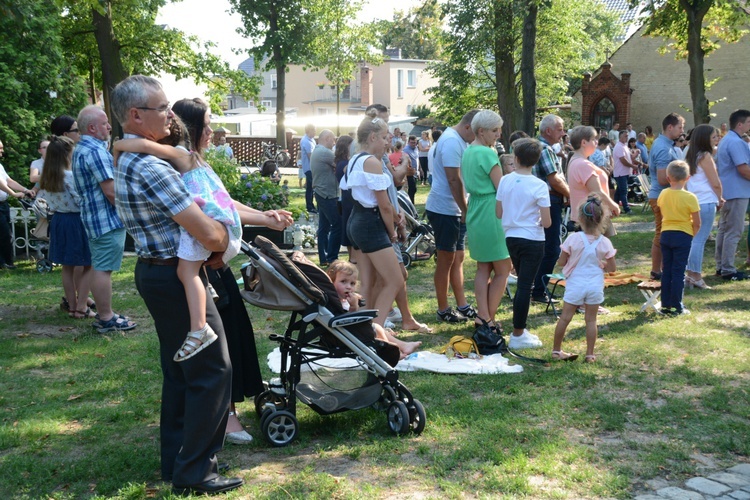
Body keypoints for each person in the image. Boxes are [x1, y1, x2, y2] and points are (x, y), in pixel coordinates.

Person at [111, 75, 242, 495]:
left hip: (159, 272)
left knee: (181, 370)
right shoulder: (150, 167)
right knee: (212, 369)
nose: (170, 114)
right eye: (162, 108)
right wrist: (223, 237)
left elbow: (183, 163)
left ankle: (178, 463)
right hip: (171, 274)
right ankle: (196, 472)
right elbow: (206, 232)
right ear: (136, 115)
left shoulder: (138, 157)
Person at [115, 111, 242, 362]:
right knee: (191, 269)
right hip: (220, 217)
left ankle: (199, 329)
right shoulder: (192, 159)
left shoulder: (181, 154)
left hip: (212, 219)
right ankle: (204, 297)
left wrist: (117, 145)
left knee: (186, 272)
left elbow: (141, 145)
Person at [72, 105, 136, 333]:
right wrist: (131, 213)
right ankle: (106, 317)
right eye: (105, 122)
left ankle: (105, 314)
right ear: (92, 127)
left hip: (94, 218)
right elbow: (110, 192)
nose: (109, 126)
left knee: (100, 266)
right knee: (103, 269)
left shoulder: (82, 148)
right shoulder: (96, 152)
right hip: (105, 220)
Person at [340, 112, 404, 328]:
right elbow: (384, 205)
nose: (388, 142)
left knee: (369, 282)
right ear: (373, 137)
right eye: (385, 137)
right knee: (394, 280)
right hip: (369, 224)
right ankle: (376, 329)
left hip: (356, 221)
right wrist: (393, 230)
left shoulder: (355, 160)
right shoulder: (372, 163)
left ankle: (364, 325)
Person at [424, 110, 479, 323]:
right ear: (467, 127)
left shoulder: (457, 140)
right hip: (445, 209)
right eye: (476, 133)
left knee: (458, 259)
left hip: (454, 209)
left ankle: (462, 304)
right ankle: (443, 308)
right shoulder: (451, 142)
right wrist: (465, 210)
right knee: (446, 259)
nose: (476, 139)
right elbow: (453, 180)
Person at [496, 138, 550, 349]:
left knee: (523, 285)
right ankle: (518, 333)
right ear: (535, 161)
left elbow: (499, 212)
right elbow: (547, 222)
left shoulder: (505, 180)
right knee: (525, 286)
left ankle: (520, 330)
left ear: (516, 159)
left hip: (511, 236)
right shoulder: (539, 185)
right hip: (532, 238)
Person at [461, 110, 511, 337]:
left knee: (484, 267)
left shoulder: (468, 151)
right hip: (492, 210)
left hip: (476, 209)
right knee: (503, 268)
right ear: (481, 131)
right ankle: (487, 317)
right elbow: (502, 187)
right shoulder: (488, 154)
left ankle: (483, 315)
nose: (498, 135)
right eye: (494, 130)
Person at [551, 194, 617, 363]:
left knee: (565, 318)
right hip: (594, 285)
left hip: (575, 284)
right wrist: (602, 264)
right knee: (591, 320)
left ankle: (556, 350)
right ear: (603, 219)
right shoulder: (605, 243)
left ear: (580, 218)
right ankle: (590, 354)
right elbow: (612, 269)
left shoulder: (573, 238)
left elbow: (561, 261)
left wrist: (566, 259)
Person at [39, 136, 94, 319]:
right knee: (88, 263)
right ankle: (81, 307)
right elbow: (80, 200)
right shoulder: (70, 176)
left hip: (59, 220)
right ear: (66, 154)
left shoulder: (47, 177)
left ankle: (71, 306)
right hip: (75, 221)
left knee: (67, 266)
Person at [326, 260, 421, 359]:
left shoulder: (343, 300)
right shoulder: (335, 302)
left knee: (378, 329)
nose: (349, 287)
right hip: (343, 337)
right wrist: (353, 307)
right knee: (377, 329)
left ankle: (402, 347)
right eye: (343, 281)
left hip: (350, 333)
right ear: (331, 282)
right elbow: (345, 321)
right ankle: (392, 354)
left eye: (352, 283)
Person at [531, 114, 570, 303]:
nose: (563, 133)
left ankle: (535, 287)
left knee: (545, 247)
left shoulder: (541, 147)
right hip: (549, 202)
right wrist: (571, 195)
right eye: (560, 129)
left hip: (546, 202)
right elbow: (554, 179)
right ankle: (538, 290)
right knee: (552, 249)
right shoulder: (545, 149)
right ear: (548, 131)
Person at [658, 160, 700, 315]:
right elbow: (697, 222)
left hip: (666, 233)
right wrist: (691, 234)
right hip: (683, 234)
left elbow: (664, 213)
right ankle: (677, 306)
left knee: (666, 270)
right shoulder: (690, 197)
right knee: (678, 272)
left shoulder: (663, 194)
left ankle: (665, 304)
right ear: (688, 178)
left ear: (668, 178)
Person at [685, 124, 723, 289]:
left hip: (694, 200)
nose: (716, 140)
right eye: (714, 137)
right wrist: (720, 198)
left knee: (695, 239)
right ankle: (695, 275)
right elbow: (715, 182)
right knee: (699, 240)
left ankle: (690, 274)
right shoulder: (705, 156)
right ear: (704, 139)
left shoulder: (691, 154)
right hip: (706, 201)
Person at [648, 113, 685, 280]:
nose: (682, 131)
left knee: (665, 233)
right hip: (661, 196)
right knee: (661, 234)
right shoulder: (663, 147)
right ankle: (656, 271)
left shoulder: (667, 144)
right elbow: (663, 179)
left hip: (665, 196)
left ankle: (661, 269)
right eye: (680, 127)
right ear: (670, 127)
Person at [715, 109, 750, 280]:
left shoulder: (726, 139)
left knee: (724, 229)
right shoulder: (736, 142)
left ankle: (721, 265)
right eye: (749, 122)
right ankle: (728, 269)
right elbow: (743, 169)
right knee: (734, 230)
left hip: (727, 190)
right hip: (737, 191)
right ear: (740, 124)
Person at [566, 126, 620, 231]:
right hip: (590, 220)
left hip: (587, 218)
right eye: (594, 139)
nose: (597, 142)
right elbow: (597, 192)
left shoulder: (575, 160)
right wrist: (614, 206)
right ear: (584, 143)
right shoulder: (583, 164)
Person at [0, 139, 34, 269]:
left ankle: (7, 262)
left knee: (6, 233)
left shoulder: (0, 166)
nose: (2, 151)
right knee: (3, 233)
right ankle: (3, 263)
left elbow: (8, 180)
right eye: (0, 149)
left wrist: (25, 190)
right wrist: (13, 194)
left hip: (3, 204)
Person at [310, 129, 341, 266]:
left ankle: (324, 257)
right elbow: (340, 165)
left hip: (322, 193)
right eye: (333, 140)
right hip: (327, 194)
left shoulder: (318, 151)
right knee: (337, 224)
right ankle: (332, 257)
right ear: (327, 138)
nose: (334, 143)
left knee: (324, 227)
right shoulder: (324, 152)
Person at [334, 135, 355, 259]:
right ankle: (352, 257)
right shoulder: (343, 164)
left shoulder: (341, 162)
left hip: (346, 199)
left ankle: (352, 257)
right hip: (348, 198)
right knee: (349, 226)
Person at [613, 130, 637, 214]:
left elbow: (630, 157)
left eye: (627, 136)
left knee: (619, 191)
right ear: (620, 137)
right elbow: (623, 160)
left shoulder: (624, 146)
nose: (627, 137)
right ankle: (627, 209)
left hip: (625, 172)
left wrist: (636, 154)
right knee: (624, 191)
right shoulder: (619, 146)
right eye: (625, 136)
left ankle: (614, 208)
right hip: (620, 173)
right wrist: (632, 166)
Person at [301, 124, 317, 213]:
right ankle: (310, 206)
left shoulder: (311, 140)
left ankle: (311, 205)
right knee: (310, 188)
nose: (315, 132)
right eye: (314, 130)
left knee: (311, 188)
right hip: (309, 168)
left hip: (311, 168)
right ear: (309, 130)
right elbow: (311, 157)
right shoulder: (306, 141)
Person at [403, 135, 419, 204]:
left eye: (415, 142)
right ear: (409, 142)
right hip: (409, 172)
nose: (413, 144)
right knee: (412, 188)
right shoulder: (406, 150)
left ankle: (412, 203)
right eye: (412, 142)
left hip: (415, 171)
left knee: (413, 189)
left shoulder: (416, 148)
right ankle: (411, 203)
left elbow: (417, 159)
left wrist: (420, 169)